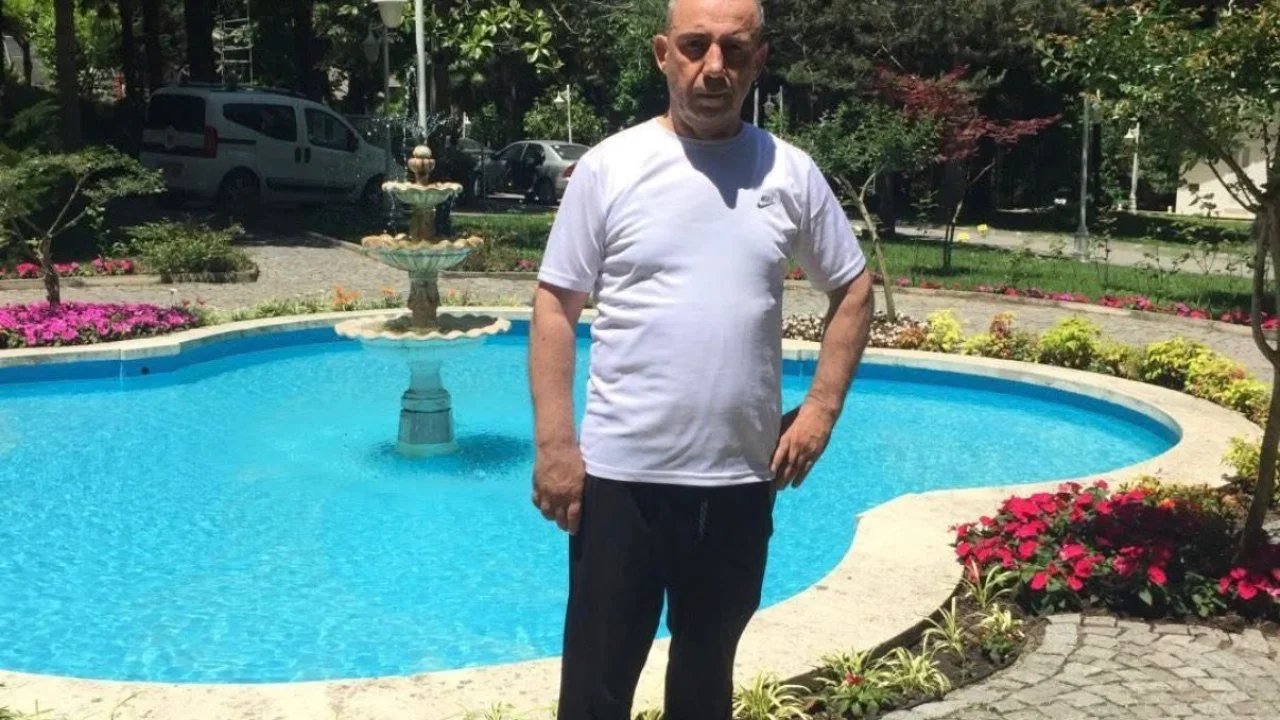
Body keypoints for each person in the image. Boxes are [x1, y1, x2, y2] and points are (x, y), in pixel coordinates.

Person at [527, 0, 875, 717]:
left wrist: (820, 410)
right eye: (695, 46)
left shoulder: (789, 172)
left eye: (734, 49)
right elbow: (555, 306)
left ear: (759, 60)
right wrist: (556, 445)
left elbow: (853, 287)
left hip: (738, 483)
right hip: (622, 481)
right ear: (664, 54)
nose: (714, 67)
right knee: (594, 693)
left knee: (704, 686)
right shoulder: (611, 166)